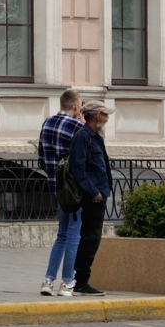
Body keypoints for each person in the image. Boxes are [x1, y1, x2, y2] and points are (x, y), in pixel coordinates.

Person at [37, 90, 84, 297]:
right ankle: (67, 282)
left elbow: (41, 155)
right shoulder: (76, 125)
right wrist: (82, 122)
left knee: (62, 235)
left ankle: (48, 280)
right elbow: (87, 149)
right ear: (75, 106)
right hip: (73, 190)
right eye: (80, 107)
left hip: (55, 187)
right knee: (74, 234)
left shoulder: (46, 123)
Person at [69, 101, 114, 297]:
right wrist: (93, 191)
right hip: (91, 196)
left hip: (99, 193)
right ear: (96, 116)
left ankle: (82, 280)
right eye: (104, 114)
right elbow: (78, 168)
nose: (107, 117)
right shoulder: (83, 136)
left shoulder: (96, 137)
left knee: (93, 238)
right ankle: (81, 281)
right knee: (89, 237)